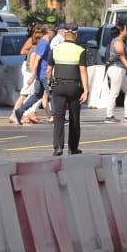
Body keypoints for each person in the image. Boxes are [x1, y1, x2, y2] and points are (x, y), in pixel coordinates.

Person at [47, 23, 88, 156]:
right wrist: (86, 90)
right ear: (76, 35)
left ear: (64, 34)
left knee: (58, 117)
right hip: (74, 86)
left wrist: (50, 82)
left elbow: (49, 70)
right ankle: (73, 148)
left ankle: (58, 147)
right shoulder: (80, 50)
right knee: (74, 117)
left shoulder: (55, 49)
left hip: (58, 85)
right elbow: (83, 71)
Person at [14, 23, 53, 125]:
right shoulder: (44, 43)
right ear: (49, 32)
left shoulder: (42, 43)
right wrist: (33, 76)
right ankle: (56, 116)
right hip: (43, 74)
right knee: (52, 94)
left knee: (37, 95)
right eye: (53, 31)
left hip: (41, 74)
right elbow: (36, 59)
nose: (54, 33)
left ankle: (20, 111)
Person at [103, 23, 127, 123]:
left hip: (120, 70)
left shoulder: (120, 41)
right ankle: (109, 116)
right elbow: (122, 57)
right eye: (126, 29)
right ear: (121, 31)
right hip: (116, 69)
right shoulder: (118, 42)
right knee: (114, 92)